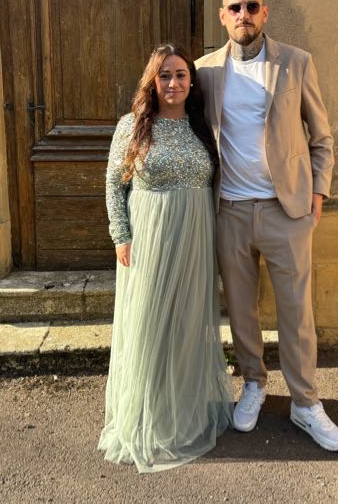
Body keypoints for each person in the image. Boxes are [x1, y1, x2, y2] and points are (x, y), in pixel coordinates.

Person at [195, 0, 338, 451]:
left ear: (265, 12)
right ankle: (254, 384)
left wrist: (318, 192)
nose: (244, 15)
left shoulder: (296, 62)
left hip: (287, 210)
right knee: (242, 309)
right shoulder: (203, 72)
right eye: (235, 8)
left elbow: (321, 136)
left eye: (252, 6)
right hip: (230, 211)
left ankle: (305, 402)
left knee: (296, 312)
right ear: (222, 16)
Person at [98, 43, 234, 473]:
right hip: (149, 236)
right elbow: (113, 184)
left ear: (192, 81)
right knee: (149, 321)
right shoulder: (132, 125)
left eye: (180, 74)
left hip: (195, 236)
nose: (173, 83)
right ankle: (149, 414)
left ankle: (184, 409)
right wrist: (120, 235)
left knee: (187, 323)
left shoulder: (202, 127)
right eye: (164, 75)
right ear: (152, 82)